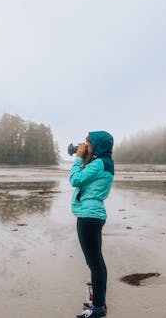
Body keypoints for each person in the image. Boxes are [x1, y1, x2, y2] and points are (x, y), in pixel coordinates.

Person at [70, 131, 114, 318]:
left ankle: (98, 309)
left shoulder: (99, 163)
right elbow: (87, 179)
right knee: (95, 262)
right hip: (93, 215)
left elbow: (75, 179)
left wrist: (78, 158)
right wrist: (86, 156)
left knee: (95, 263)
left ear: (97, 144)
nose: (84, 145)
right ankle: (97, 300)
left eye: (88, 142)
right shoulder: (103, 162)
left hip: (89, 216)